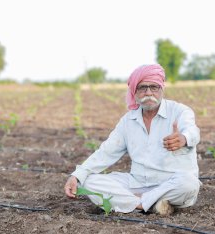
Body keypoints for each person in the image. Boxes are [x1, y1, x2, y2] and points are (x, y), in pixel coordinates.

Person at [64, 64, 201, 215]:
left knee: (189, 184)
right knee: (90, 182)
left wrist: (184, 138)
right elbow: (106, 152)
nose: (148, 92)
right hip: (138, 183)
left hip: (172, 182)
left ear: (162, 89)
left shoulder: (180, 111)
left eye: (154, 87)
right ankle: (147, 203)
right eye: (142, 88)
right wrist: (77, 175)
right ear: (134, 92)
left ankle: (136, 202)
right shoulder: (128, 121)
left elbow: (192, 130)